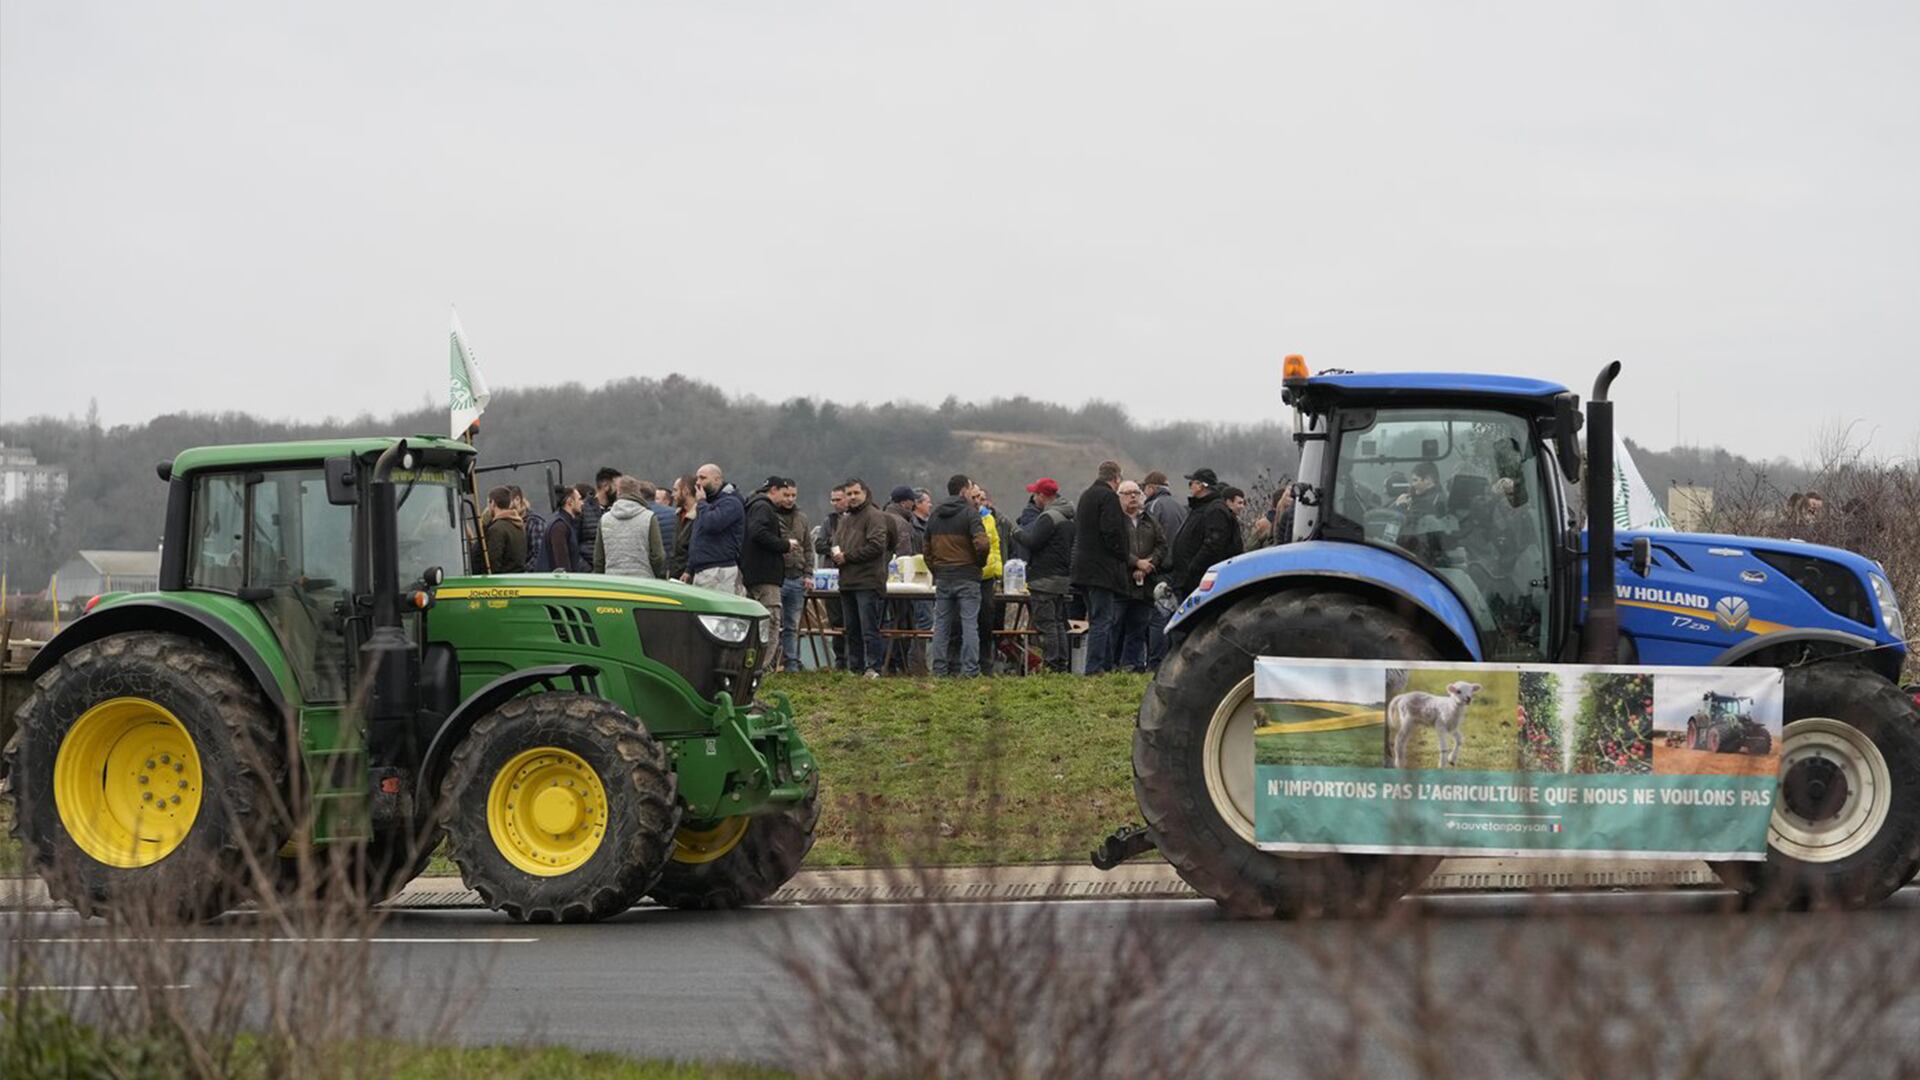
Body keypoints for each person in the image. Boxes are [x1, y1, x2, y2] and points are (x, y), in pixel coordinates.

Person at [924, 474, 989, 676]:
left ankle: (939, 670)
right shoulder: (970, 514)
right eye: (970, 489)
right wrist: (978, 564)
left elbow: (926, 550)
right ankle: (970, 670)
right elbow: (982, 544)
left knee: (941, 625)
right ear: (963, 491)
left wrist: (937, 570)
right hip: (967, 576)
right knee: (969, 624)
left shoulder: (935, 515)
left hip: (943, 576)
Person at [1071, 461, 1131, 674]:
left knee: (1098, 617)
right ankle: (1095, 667)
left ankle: (1105, 665)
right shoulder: (1108, 498)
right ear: (1116, 478)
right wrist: (1123, 554)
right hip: (1101, 569)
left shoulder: (1086, 496)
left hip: (1083, 568)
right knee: (1102, 620)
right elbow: (1111, 531)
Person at [831, 478, 892, 678]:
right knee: (852, 629)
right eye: (849, 494)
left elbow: (877, 546)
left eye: (856, 493)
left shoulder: (874, 516)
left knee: (869, 629)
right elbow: (835, 543)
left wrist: (847, 557)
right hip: (847, 581)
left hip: (868, 581)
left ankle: (873, 667)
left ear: (865, 493)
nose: (853, 497)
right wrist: (836, 555)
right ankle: (855, 668)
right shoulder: (845, 519)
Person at [1015, 477, 1075, 673]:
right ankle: (1061, 665)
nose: (1033, 498)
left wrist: (1016, 533)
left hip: (1044, 580)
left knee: (1047, 624)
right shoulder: (1068, 516)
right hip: (1062, 579)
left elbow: (1033, 542)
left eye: (1035, 494)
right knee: (1058, 623)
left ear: (1042, 495)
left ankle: (1051, 665)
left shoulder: (1048, 517)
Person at [742, 477, 800, 669]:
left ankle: (752, 665)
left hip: (752, 573)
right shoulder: (763, 508)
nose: (786, 499)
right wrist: (784, 545)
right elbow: (758, 532)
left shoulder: (752, 506)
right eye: (784, 494)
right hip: (765, 575)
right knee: (771, 621)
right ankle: (762, 666)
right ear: (773, 490)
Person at [1116, 480, 1169, 672]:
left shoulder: (1150, 520)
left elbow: (1162, 545)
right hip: (1120, 581)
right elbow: (1114, 547)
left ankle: (1132, 665)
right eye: (1128, 493)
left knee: (1138, 626)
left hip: (1145, 582)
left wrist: (1149, 564)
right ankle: (1111, 665)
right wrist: (1135, 562)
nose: (1133, 496)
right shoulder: (1115, 521)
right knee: (1115, 625)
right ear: (1119, 497)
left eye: (1136, 493)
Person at [1170, 469, 1244, 600]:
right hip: (1187, 580)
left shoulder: (1215, 510)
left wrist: (1192, 568)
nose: (1190, 487)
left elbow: (1213, 546)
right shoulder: (1200, 507)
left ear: (1201, 485)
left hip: (1198, 582)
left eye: (1191, 483)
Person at [1141, 471, 1188, 669]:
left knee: (1157, 618)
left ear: (1151, 488)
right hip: (1177, 570)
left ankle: (1155, 663)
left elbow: (1146, 537)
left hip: (1158, 569)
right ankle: (1172, 662)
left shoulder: (1153, 506)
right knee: (1173, 615)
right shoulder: (1181, 507)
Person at [685, 464, 746, 595]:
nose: (698, 483)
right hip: (703, 569)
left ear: (717, 480)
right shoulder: (708, 504)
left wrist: (701, 502)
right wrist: (689, 569)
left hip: (719, 570)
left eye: (703, 478)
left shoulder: (731, 502)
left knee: (714, 607)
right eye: (697, 479)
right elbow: (698, 536)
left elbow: (711, 524)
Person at [594, 475, 667, 578]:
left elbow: (598, 559)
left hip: (612, 580)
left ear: (618, 492)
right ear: (638, 492)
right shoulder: (649, 517)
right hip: (643, 580)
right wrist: (652, 573)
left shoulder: (604, 520)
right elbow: (658, 556)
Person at [813, 484, 850, 671]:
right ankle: (840, 660)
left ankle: (854, 660)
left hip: (853, 576)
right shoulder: (830, 521)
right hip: (832, 577)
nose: (835, 503)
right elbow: (819, 545)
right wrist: (835, 546)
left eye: (838, 499)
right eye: (833, 500)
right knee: (836, 620)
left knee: (852, 619)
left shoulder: (858, 519)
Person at [777, 483, 812, 674]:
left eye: (793, 495)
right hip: (778, 576)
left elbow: (808, 548)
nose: (790, 499)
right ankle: (773, 662)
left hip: (797, 577)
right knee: (775, 623)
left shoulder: (802, 518)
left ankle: (792, 662)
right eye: (786, 495)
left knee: (792, 624)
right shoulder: (771, 516)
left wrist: (808, 573)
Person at [975, 487, 1009, 673]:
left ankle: (986, 663)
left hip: (991, 578)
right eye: (977, 498)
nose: (980, 502)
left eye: (982, 498)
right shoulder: (968, 518)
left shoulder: (995, 520)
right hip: (972, 575)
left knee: (988, 622)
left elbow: (998, 548)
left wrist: (999, 570)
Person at [578, 466, 620, 567]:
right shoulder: (583, 510)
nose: (619, 491)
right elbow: (573, 545)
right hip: (589, 571)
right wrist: (587, 570)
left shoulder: (618, 510)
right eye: (617, 487)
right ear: (605, 486)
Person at [482, 485, 528, 573]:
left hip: (503, 580)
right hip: (519, 577)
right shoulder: (518, 525)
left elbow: (494, 562)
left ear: (493, 503)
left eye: (488, 503)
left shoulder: (496, 529)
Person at [546, 484, 588, 572]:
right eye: (579, 499)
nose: (582, 503)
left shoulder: (565, 524)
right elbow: (563, 565)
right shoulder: (559, 527)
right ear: (570, 502)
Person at [667, 474, 700, 581]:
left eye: (675, 490)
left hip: (689, 577)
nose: (672, 495)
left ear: (686, 491)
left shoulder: (700, 516)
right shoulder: (678, 515)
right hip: (675, 575)